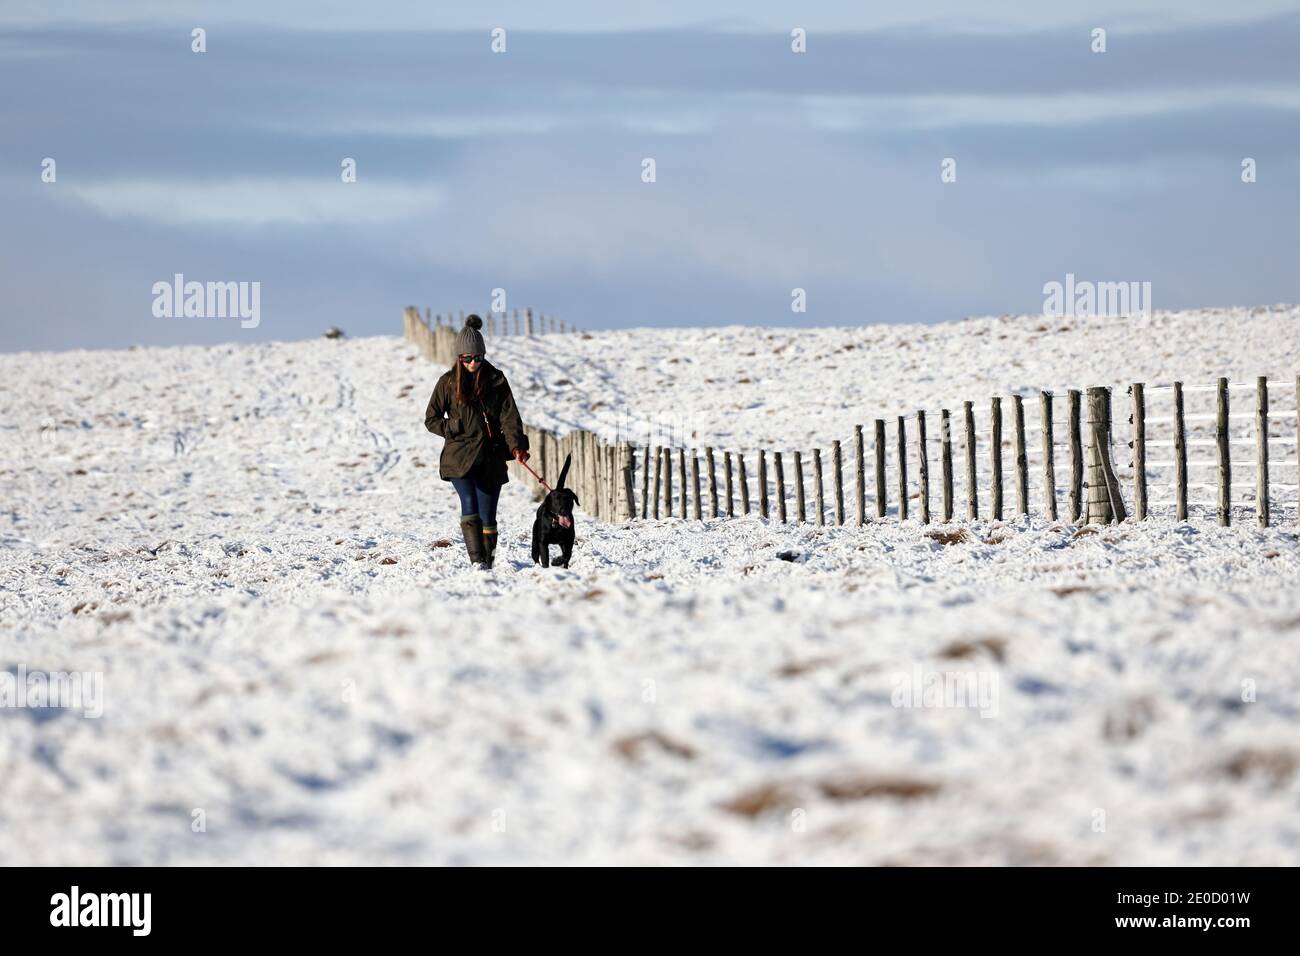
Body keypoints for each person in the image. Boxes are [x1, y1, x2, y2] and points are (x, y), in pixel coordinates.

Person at [423, 315, 530, 568]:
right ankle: (477, 563)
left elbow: (510, 417)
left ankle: (488, 563)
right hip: (459, 457)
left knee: (488, 516)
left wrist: (517, 446)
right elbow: (431, 419)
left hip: (490, 456)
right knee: (468, 502)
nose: (473, 363)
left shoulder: (497, 380)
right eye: (467, 358)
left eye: (478, 358)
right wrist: (453, 426)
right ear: (459, 358)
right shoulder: (447, 383)